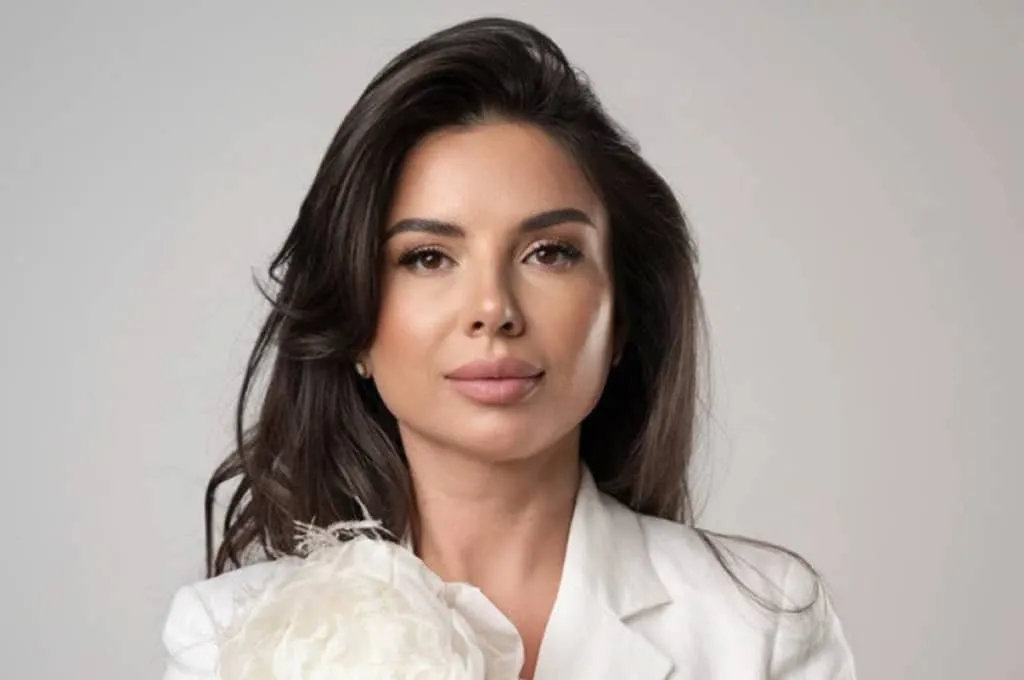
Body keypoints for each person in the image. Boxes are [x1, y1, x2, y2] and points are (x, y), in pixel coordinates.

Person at [161, 16, 856, 680]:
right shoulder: (228, 638)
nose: (493, 309)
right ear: (355, 322)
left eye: (549, 253)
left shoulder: (760, 625)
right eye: (428, 257)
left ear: (621, 315)